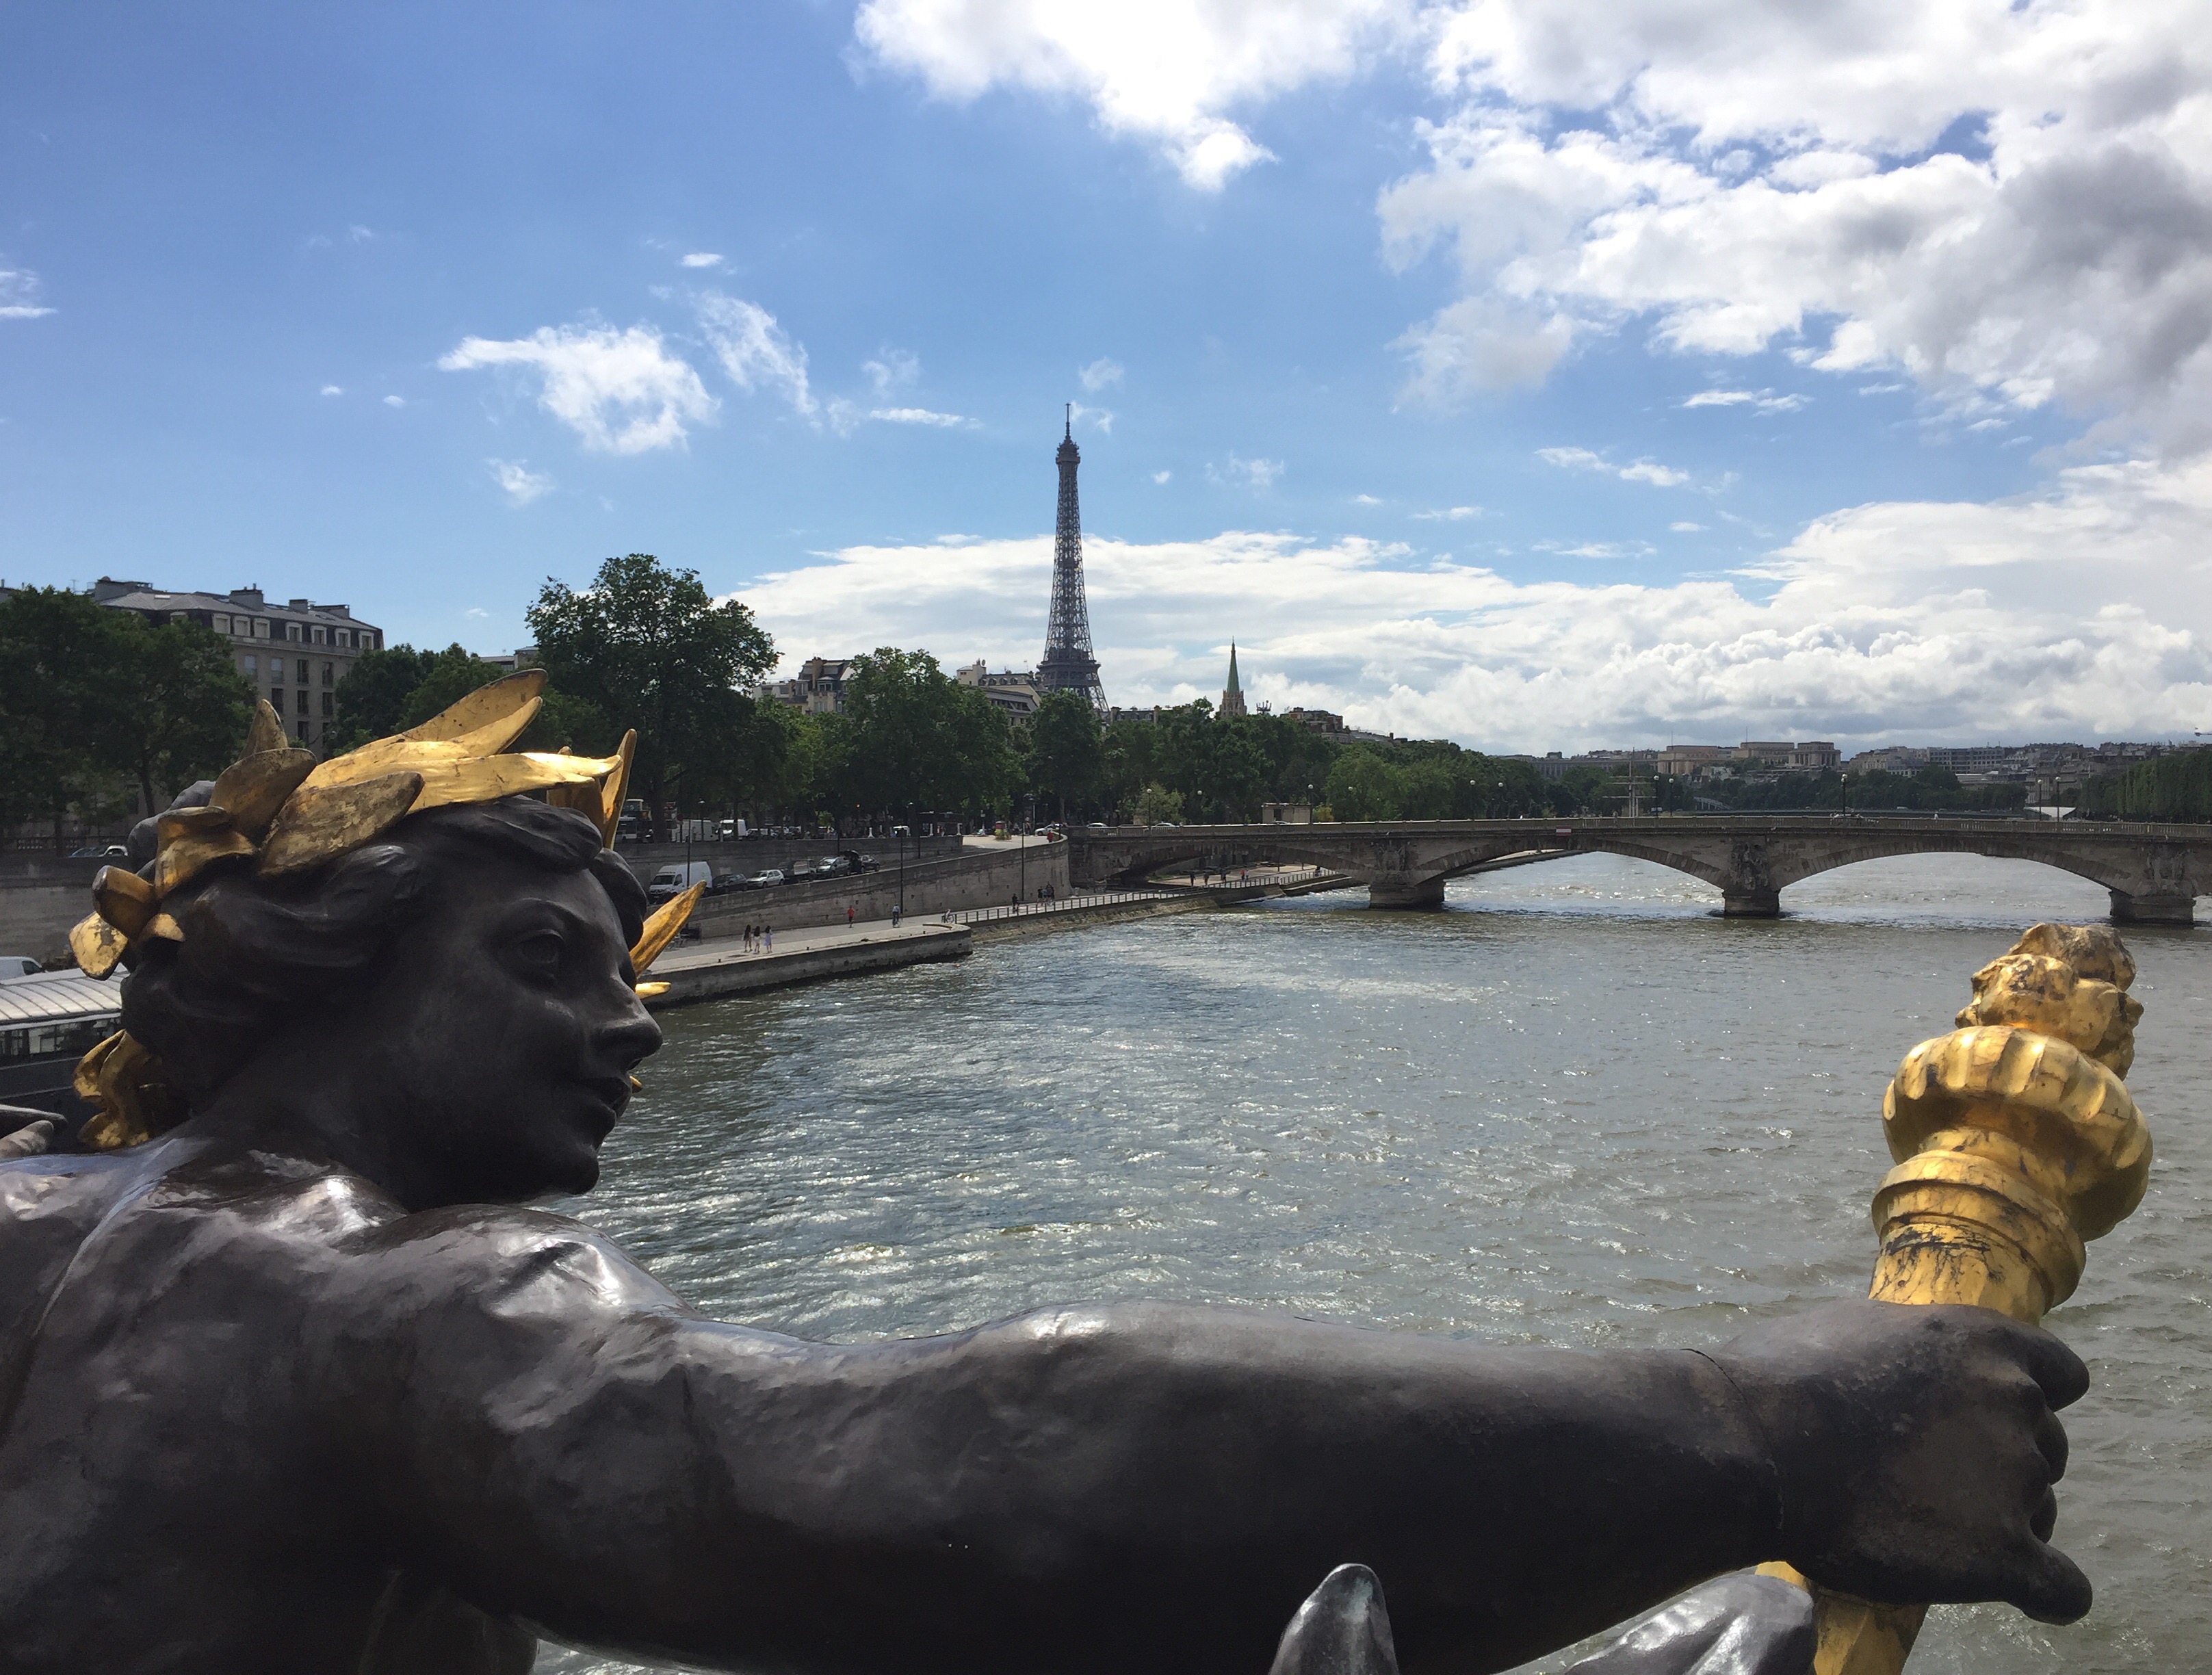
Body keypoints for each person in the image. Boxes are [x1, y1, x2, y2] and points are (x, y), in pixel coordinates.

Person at [0, 783, 2094, 1675]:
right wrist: (1765, 1429)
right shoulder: (384, 1300)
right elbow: (971, 1466)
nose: (628, 1019)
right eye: (551, 957)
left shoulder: (35, 1221)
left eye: (634, 962)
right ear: (323, 968)